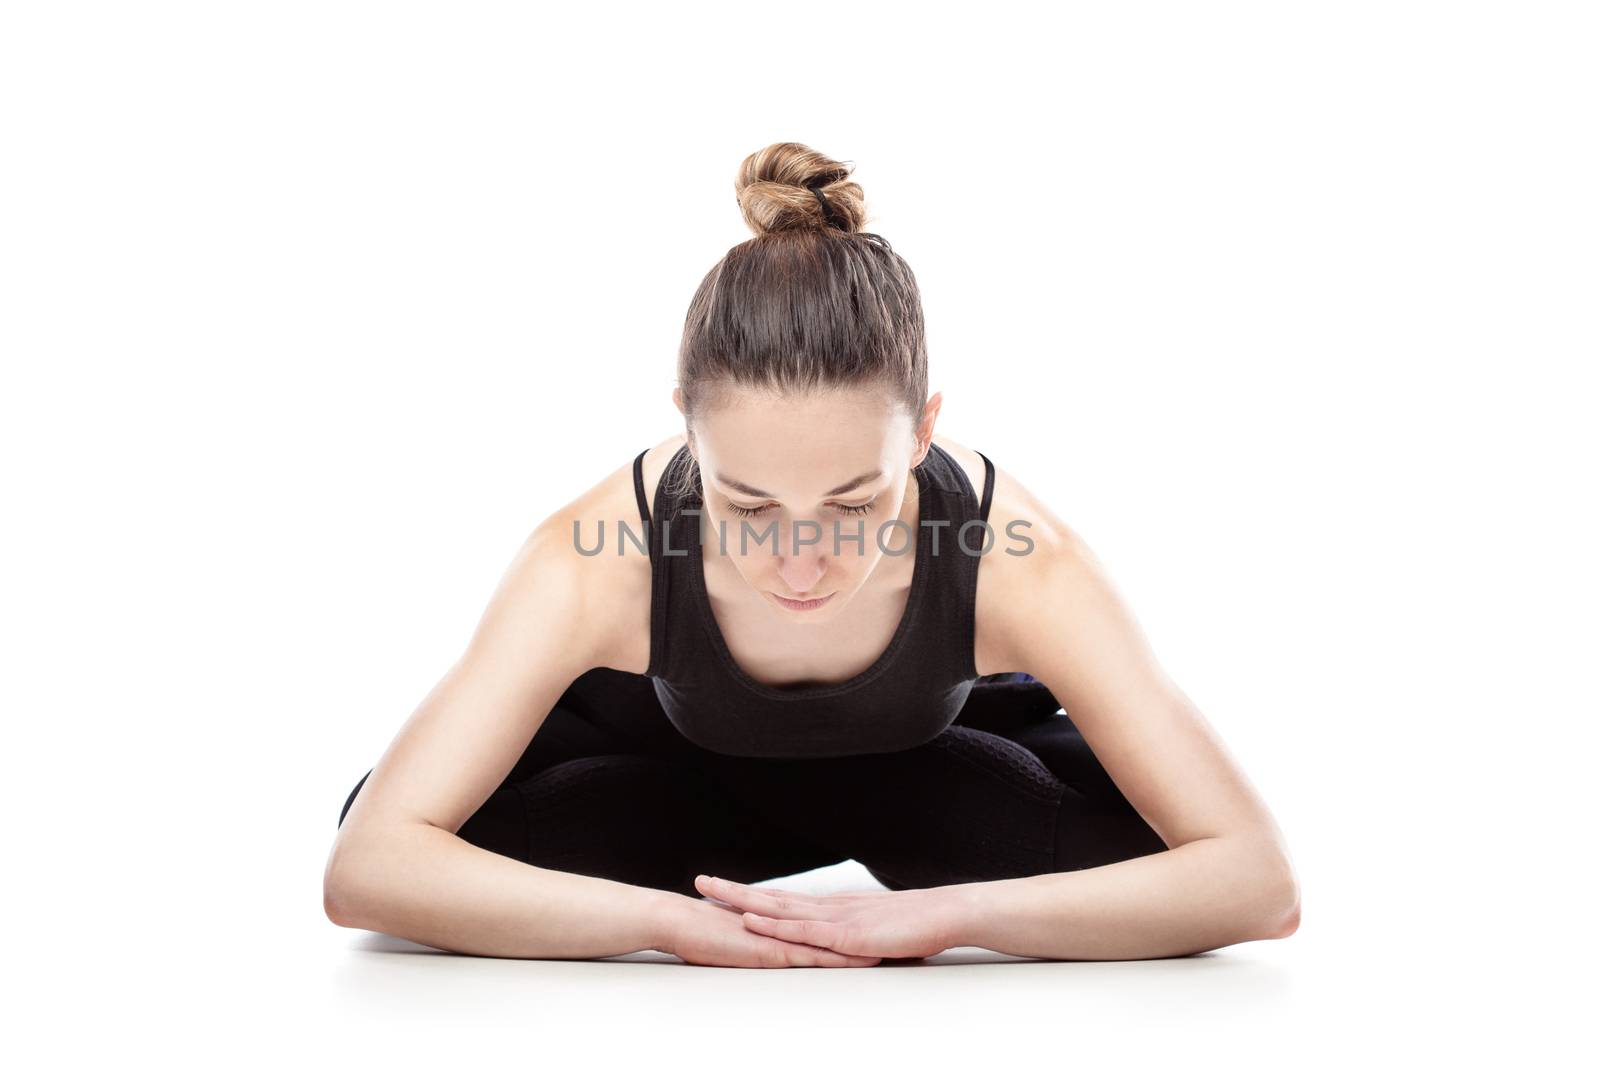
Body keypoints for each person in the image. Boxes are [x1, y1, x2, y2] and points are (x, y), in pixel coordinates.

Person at [322, 142, 1300, 968]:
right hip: (661, 775)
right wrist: (671, 921)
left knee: (1129, 843)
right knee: (449, 828)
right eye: (746, 503)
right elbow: (369, 866)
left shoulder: (1018, 559)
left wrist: (945, 912)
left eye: (853, 500)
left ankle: (876, 825)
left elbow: (1255, 879)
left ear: (921, 434)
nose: (799, 563)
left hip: (928, 776)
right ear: (688, 436)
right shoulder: (592, 559)